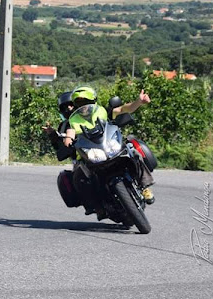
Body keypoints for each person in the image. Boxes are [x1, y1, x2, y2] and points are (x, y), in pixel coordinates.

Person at [62, 86, 155, 217]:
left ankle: (144, 187)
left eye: (86, 102)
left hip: (108, 146)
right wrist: (68, 139)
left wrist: (138, 102)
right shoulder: (73, 120)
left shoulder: (102, 111)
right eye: (79, 103)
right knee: (79, 178)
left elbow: (123, 109)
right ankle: (97, 207)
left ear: (93, 101)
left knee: (133, 152)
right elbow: (70, 132)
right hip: (88, 155)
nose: (83, 106)